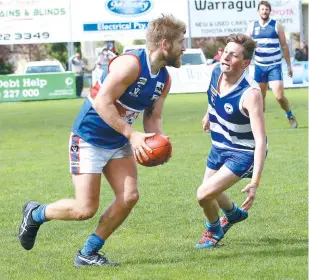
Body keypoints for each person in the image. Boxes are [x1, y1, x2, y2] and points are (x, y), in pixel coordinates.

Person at [18, 14, 186, 266]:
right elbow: (101, 102)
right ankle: (36, 213)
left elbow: (153, 116)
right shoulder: (130, 65)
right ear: (164, 44)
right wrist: (132, 134)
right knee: (84, 209)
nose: (184, 47)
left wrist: (158, 141)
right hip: (89, 136)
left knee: (129, 196)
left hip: (118, 139)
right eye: (181, 42)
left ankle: (87, 254)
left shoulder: (165, 78)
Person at [195, 33, 267, 249]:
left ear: (245, 63)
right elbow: (213, 96)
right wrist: (209, 113)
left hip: (243, 152)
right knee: (210, 192)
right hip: (219, 145)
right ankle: (233, 214)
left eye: (233, 55)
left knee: (203, 194)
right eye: (225, 52)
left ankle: (213, 229)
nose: (225, 58)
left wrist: (254, 182)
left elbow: (261, 141)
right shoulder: (217, 70)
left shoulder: (250, 94)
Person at [246, 0, 298, 128]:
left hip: (274, 65)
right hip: (259, 66)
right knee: (260, 97)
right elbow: (247, 46)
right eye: (262, 9)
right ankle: (260, 124)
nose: (264, 11)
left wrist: (289, 66)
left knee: (279, 96)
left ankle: (289, 115)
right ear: (258, 11)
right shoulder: (252, 26)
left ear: (270, 11)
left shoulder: (277, 26)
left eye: (266, 9)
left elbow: (284, 46)